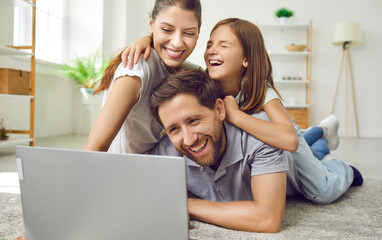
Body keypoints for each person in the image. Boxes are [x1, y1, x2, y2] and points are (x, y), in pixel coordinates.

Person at [149, 68, 363, 233]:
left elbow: (267, 219)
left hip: (293, 172)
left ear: (219, 109)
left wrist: (187, 205)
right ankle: (321, 131)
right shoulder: (167, 151)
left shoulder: (259, 136)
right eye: (174, 129)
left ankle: (340, 165)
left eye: (194, 120)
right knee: (314, 148)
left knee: (320, 177)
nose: (188, 139)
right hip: (284, 152)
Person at [82, 0, 202, 153]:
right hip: (122, 168)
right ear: (151, 23)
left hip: (150, 161)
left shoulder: (176, 67)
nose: (177, 43)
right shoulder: (136, 71)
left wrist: (149, 38)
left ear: (198, 34)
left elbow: (204, 74)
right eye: (166, 29)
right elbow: (94, 147)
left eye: (189, 33)